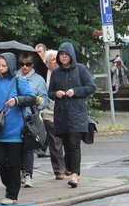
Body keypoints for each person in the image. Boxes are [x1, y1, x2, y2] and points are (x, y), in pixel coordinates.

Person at [0, 53, 36, 205]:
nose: (1, 69)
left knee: (14, 163)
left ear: (10, 66)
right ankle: (9, 185)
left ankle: (12, 195)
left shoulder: (19, 80)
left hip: (15, 131)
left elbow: (31, 97)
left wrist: (17, 100)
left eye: (4, 66)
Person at [48, 42, 97, 188]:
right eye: (61, 55)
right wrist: (56, 94)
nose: (64, 57)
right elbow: (50, 92)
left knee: (74, 144)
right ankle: (70, 167)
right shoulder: (56, 72)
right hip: (62, 114)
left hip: (77, 113)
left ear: (71, 56)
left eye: (66, 55)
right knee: (67, 144)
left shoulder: (80, 69)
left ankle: (75, 176)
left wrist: (75, 91)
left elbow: (91, 87)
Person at [17, 54, 49, 188]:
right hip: (15, 117)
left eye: (28, 64)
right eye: (22, 64)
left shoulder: (38, 80)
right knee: (16, 148)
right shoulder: (14, 78)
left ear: (33, 65)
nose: (25, 67)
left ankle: (28, 174)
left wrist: (39, 101)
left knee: (28, 147)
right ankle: (19, 172)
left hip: (30, 117)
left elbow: (46, 100)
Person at [40, 50, 68, 180]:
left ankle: (68, 166)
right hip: (49, 113)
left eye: (57, 59)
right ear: (46, 62)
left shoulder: (64, 73)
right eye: (52, 60)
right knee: (55, 143)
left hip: (66, 112)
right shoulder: (43, 77)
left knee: (69, 141)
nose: (56, 62)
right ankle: (59, 170)